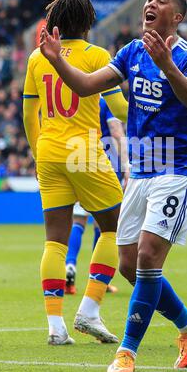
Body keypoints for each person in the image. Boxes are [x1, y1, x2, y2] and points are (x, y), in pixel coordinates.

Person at [40, 0, 187, 372]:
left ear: (177, 17)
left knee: (149, 258)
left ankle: (127, 352)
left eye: (161, 0)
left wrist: (168, 66)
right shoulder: (132, 52)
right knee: (129, 266)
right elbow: (86, 86)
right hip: (142, 171)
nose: (151, 3)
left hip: (177, 169)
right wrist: (56, 61)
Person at [23, 0, 128, 346]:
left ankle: (56, 326)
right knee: (117, 228)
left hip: (49, 150)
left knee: (54, 239)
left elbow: (28, 114)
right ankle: (89, 310)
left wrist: (38, 154)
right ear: (88, 22)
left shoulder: (38, 57)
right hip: (83, 149)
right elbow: (122, 110)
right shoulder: (97, 56)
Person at [66, 96, 129, 295]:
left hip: (75, 158)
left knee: (78, 219)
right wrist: (126, 164)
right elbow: (117, 133)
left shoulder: (72, 96)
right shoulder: (106, 99)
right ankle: (100, 279)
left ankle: (69, 265)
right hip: (102, 162)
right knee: (105, 224)